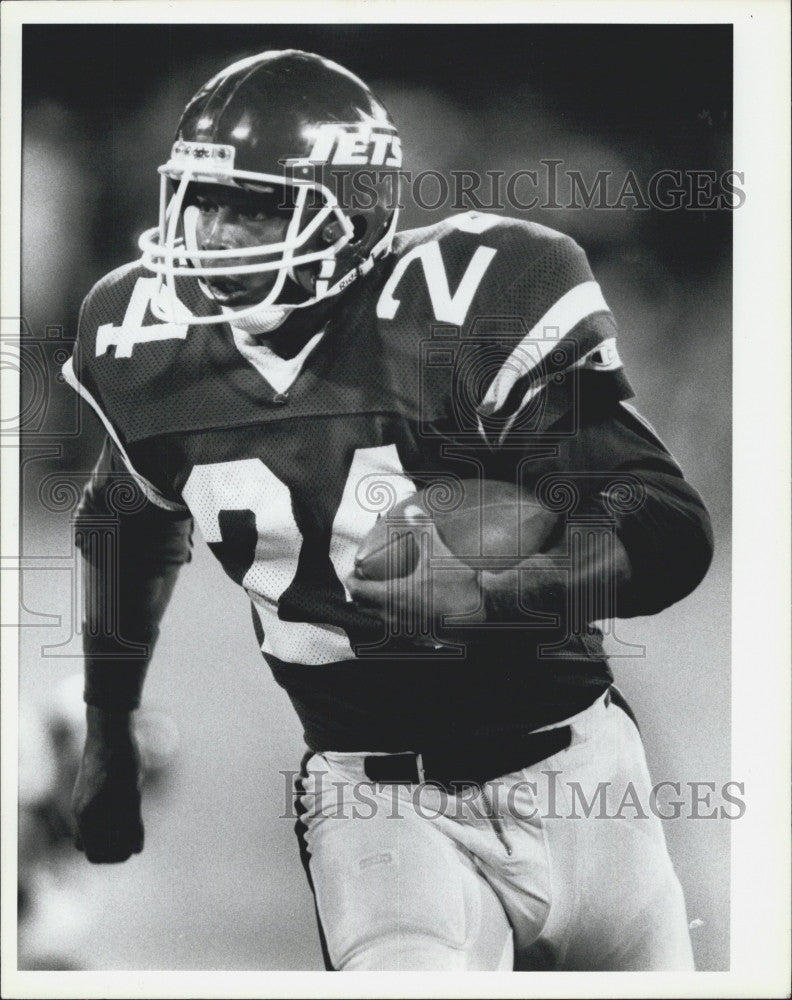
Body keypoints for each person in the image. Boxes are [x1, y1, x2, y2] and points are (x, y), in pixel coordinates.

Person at [65, 49, 713, 971]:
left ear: (354, 211)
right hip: (373, 796)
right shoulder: (147, 338)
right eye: (200, 200)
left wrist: (497, 593)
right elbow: (125, 521)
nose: (211, 234)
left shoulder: (473, 296)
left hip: (579, 775)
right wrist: (108, 731)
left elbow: (666, 526)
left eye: (254, 205)